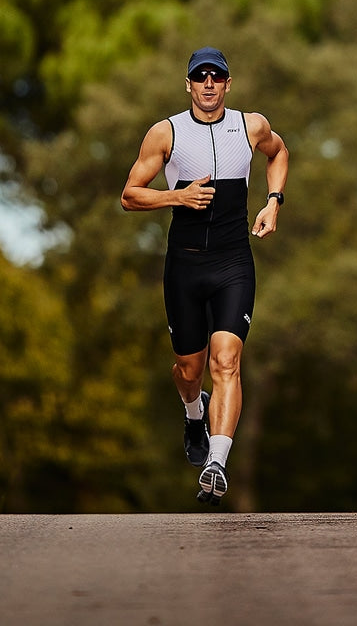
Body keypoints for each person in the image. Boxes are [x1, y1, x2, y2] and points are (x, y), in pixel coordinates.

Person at [120, 46, 289, 506]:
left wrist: (274, 202)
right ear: (189, 84)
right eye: (201, 77)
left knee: (227, 360)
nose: (209, 84)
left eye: (217, 77)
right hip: (186, 265)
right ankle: (193, 412)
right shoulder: (166, 133)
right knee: (190, 370)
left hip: (235, 262)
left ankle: (216, 461)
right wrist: (178, 198)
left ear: (228, 84)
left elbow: (280, 153)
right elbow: (130, 196)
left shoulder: (250, 125)